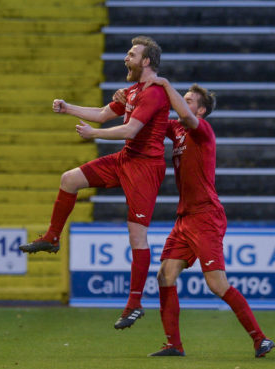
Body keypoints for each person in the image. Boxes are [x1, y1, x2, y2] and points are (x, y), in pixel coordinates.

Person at [115, 78, 275, 358]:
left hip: (206, 216)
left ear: (200, 111)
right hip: (185, 217)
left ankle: (260, 339)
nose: (182, 102)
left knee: (216, 284)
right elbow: (144, 120)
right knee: (165, 275)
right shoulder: (176, 129)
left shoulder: (203, 130)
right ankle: (173, 344)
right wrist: (126, 103)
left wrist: (163, 84)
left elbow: (183, 114)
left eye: (188, 100)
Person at [19, 36, 171, 330]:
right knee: (69, 179)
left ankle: (134, 303)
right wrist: (68, 108)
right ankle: (52, 238)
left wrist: (94, 135)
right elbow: (103, 114)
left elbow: (131, 129)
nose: (125, 59)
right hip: (126, 159)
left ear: (146, 61)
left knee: (136, 237)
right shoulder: (132, 91)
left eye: (131, 54)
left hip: (145, 169)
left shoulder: (153, 94)